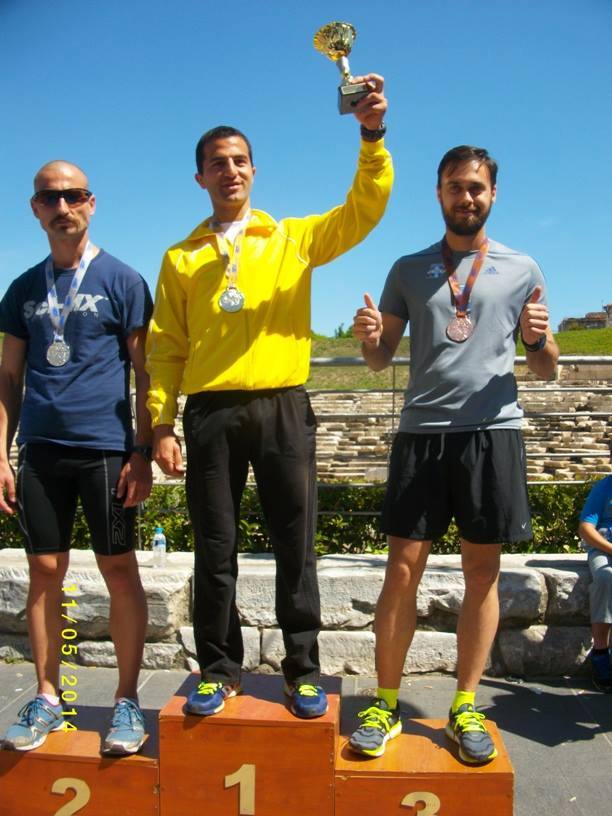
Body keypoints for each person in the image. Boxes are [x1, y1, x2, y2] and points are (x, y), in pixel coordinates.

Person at [146, 75, 392, 719]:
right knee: (214, 548)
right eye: (216, 163)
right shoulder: (180, 258)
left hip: (284, 405)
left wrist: (371, 135)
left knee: (295, 544)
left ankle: (303, 669)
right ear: (200, 177)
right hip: (210, 414)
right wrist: (161, 424)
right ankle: (218, 669)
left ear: (254, 170)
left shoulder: (292, 239)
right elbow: (166, 347)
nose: (229, 171)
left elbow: (363, 210)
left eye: (239, 161)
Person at [350, 145, 559, 763]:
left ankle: (465, 705)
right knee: (401, 571)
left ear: (493, 194)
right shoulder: (408, 268)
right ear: (438, 193)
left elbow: (546, 369)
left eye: (476, 187)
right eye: (455, 186)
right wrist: (368, 338)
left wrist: (537, 341)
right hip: (422, 433)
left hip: (492, 433)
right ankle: (387, 703)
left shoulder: (523, 268)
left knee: (481, 574)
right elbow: (379, 360)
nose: (466, 197)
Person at [0, 161, 153, 754]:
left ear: (91, 203)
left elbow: (146, 373)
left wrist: (141, 451)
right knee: (44, 570)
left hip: (106, 450)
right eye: (50, 198)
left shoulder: (123, 280)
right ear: (35, 209)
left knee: (118, 568)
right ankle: (47, 695)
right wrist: (2, 454)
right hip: (41, 451)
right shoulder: (22, 289)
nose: (62, 207)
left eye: (73, 195)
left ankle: (127, 700)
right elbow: (8, 378)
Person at [578, 443, 612, 693]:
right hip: (604, 549)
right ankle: (600, 652)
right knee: (605, 578)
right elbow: (586, 528)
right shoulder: (603, 488)